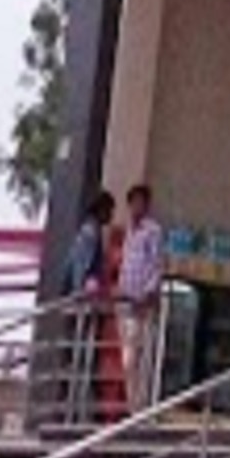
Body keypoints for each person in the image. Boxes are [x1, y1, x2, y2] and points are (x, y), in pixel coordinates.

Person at [56, 193, 112, 425]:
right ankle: (73, 411)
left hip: (77, 301)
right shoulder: (91, 233)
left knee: (75, 356)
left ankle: (69, 409)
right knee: (81, 356)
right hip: (83, 304)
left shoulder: (84, 232)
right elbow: (82, 268)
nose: (111, 215)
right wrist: (82, 297)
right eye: (109, 210)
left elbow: (70, 267)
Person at [116, 182, 167, 409]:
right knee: (126, 356)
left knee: (134, 357)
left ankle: (138, 405)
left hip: (141, 303)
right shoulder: (129, 231)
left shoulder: (153, 231)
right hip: (125, 300)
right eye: (133, 202)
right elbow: (127, 263)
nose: (136, 207)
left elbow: (156, 265)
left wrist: (148, 293)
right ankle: (131, 403)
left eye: (140, 202)